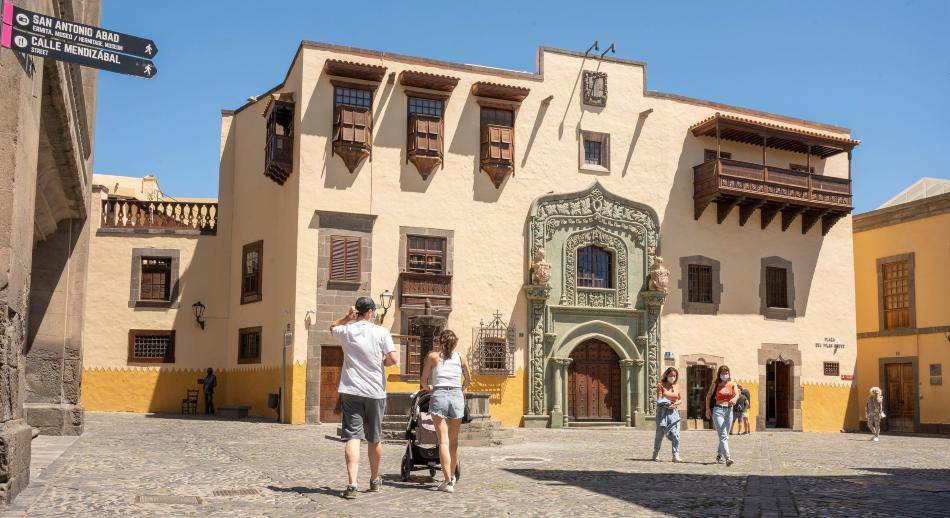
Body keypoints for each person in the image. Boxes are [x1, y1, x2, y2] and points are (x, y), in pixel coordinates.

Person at [330, 297, 398, 499]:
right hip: (375, 391)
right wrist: (382, 363)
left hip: (351, 390)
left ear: (357, 311)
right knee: (374, 437)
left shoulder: (347, 330)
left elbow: (332, 326)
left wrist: (345, 317)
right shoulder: (381, 332)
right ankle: (375, 480)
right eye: (373, 311)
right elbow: (393, 359)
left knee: (352, 437)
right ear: (370, 312)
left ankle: (352, 484)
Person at [419, 329, 471, 493]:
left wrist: (429, 389)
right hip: (456, 395)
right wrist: (461, 390)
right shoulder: (461, 357)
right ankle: (452, 477)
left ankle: (448, 481)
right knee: (453, 442)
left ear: (440, 342)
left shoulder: (433, 357)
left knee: (443, 441)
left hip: (439, 394)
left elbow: (423, 380)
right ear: (454, 343)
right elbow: (469, 378)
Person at [705, 365, 740, 466]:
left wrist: (735, 399)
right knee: (723, 435)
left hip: (729, 411)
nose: (725, 375)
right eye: (722, 373)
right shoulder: (715, 384)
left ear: (729, 373)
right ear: (719, 374)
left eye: (726, 373)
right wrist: (707, 409)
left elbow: (737, 394)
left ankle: (719, 455)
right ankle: (728, 458)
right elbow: (708, 396)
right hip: (718, 411)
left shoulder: (732, 384)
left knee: (725, 435)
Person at [652, 367, 683, 462]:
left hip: (674, 412)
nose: (673, 377)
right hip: (662, 412)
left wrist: (674, 404)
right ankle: (656, 452)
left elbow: (680, 399)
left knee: (676, 434)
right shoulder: (660, 385)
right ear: (666, 375)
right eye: (671, 375)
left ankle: (675, 455)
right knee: (660, 434)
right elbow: (659, 399)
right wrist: (667, 405)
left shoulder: (677, 386)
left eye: (674, 376)